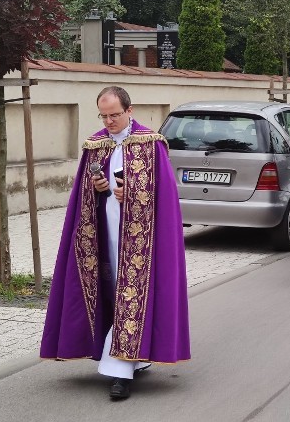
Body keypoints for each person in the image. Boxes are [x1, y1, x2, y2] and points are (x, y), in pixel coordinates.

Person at [41, 86, 191, 400]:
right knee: (111, 292)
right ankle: (130, 356)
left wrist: (132, 195)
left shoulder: (151, 145)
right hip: (104, 230)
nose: (109, 121)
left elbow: (165, 199)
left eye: (115, 115)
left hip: (141, 241)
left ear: (129, 111)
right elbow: (84, 195)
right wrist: (98, 188)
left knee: (132, 293)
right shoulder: (96, 146)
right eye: (104, 115)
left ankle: (119, 371)